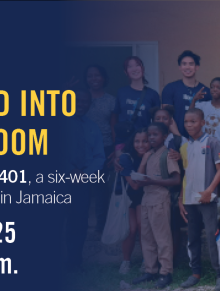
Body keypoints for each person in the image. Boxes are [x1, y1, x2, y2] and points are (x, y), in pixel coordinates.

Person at [178, 108, 220, 291]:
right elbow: (186, 174)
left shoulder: (212, 142)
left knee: (213, 236)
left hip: (208, 199)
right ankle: (195, 273)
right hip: (190, 200)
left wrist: (209, 191)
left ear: (202, 123)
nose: (189, 125)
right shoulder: (185, 146)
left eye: (193, 121)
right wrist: (181, 198)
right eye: (186, 122)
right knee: (192, 237)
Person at [131, 122, 180, 289]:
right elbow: (137, 180)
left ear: (164, 137)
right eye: (149, 135)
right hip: (146, 199)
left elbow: (176, 179)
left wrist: (153, 181)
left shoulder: (167, 155)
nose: (151, 138)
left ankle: (165, 272)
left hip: (160, 199)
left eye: (155, 135)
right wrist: (144, 160)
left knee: (162, 238)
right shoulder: (149, 154)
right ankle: (150, 270)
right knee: (146, 237)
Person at [65, 89, 105, 270]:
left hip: (82, 181)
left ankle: (74, 262)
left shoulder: (92, 126)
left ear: (90, 105)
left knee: (79, 222)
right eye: (77, 101)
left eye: (85, 102)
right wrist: (69, 170)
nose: (81, 104)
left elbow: (99, 156)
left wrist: (85, 174)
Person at [150, 105, 187, 259]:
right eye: (158, 118)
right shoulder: (150, 137)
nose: (162, 121)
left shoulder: (179, 139)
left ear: (171, 120)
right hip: (154, 189)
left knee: (173, 226)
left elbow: (189, 159)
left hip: (174, 189)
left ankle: (173, 258)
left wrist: (180, 155)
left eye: (165, 118)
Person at [84, 64, 116, 234]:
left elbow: (113, 126)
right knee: (82, 188)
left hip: (103, 148)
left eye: (97, 75)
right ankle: (80, 224)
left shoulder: (111, 100)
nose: (94, 79)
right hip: (81, 150)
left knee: (100, 189)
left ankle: (100, 226)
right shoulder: (78, 97)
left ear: (103, 78)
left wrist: (116, 149)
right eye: (90, 76)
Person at [117, 128, 150, 274]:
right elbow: (135, 185)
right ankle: (126, 262)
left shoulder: (154, 155)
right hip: (130, 197)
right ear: (132, 142)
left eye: (145, 141)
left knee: (142, 227)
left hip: (147, 196)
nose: (141, 145)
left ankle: (146, 261)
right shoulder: (126, 158)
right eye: (137, 141)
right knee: (131, 229)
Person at [111, 56, 160, 149]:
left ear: (142, 69)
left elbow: (156, 122)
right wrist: (115, 143)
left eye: (137, 65)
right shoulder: (121, 92)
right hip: (123, 141)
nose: (134, 69)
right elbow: (114, 118)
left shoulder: (153, 94)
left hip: (144, 141)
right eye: (130, 66)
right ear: (126, 72)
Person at [162, 50, 211, 138]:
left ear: (197, 67)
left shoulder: (205, 91)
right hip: (175, 138)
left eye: (191, 64)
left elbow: (208, 118)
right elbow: (167, 116)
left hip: (199, 140)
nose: (187, 67)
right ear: (180, 67)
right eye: (184, 64)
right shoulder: (170, 88)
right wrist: (179, 138)